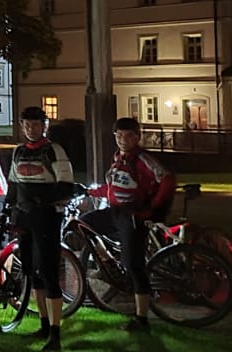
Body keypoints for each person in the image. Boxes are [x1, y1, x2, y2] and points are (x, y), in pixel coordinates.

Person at [84, 116, 176, 334]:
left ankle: (142, 318)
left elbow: (167, 179)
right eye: (118, 135)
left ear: (137, 137)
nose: (122, 139)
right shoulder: (118, 158)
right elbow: (112, 187)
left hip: (134, 216)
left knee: (135, 266)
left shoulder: (142, 159)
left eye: (127, 135)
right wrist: (88, 191)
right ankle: (109, 262)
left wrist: (152, 209)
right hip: (116, 212)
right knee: (83, 224)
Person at [6, 107, 76, 351]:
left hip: (47, 218)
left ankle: (55, 334)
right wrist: (9, 208)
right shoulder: (18, 151)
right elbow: (13, 185)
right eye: (26, 124)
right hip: (24, 219)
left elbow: (67, 187)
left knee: (48, 273)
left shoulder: (54, 151)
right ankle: (44, 324)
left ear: (45, 126)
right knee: (32, 272)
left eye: (36, 124)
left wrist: (38, 200)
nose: (30, 128)